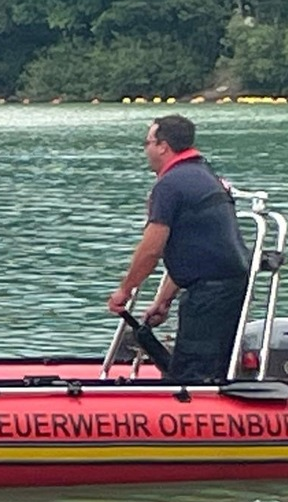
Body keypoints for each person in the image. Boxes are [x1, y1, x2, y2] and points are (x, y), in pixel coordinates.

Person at [107, 115, 250, 382]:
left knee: (194, 373)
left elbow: (151, 248)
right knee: (199, 363)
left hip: (211, 293)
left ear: (163, 146)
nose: (145, 149)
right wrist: (164, 299)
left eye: (147, 142)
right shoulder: (202, 174)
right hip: (223, 285)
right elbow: (194, 247)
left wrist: (124, 290)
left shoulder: (170, 185)